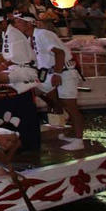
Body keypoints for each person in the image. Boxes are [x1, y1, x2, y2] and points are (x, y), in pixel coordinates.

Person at [34, 15, 85, 151]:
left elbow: (60, 53)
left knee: (71, 106)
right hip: (51, 72)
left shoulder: (42, 34)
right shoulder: (32, 37)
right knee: (36, 90)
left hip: (64, 71)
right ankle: (61, 114)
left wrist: (57, 74)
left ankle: (79, 140)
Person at [0, 13, 39, 95]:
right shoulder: (6, 33)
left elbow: (16, 58)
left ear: (3, 22)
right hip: (17, 67)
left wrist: (3, 65)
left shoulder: (13, 34)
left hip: (25, 69)